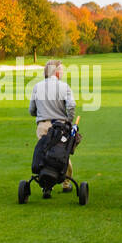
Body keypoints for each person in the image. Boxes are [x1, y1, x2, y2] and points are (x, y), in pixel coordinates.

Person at [29, 59, 77, 194]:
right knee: (62, 154)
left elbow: (32, 110)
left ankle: (46, 185)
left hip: (43, 126)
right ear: (56, 73)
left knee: (45, 154)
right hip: (59, 127)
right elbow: (71, 106)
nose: (62, 73)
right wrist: (69, 120)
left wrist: (41, 114)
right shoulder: (64, 87)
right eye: (61, 70)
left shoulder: (37, 87)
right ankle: (66, 183)